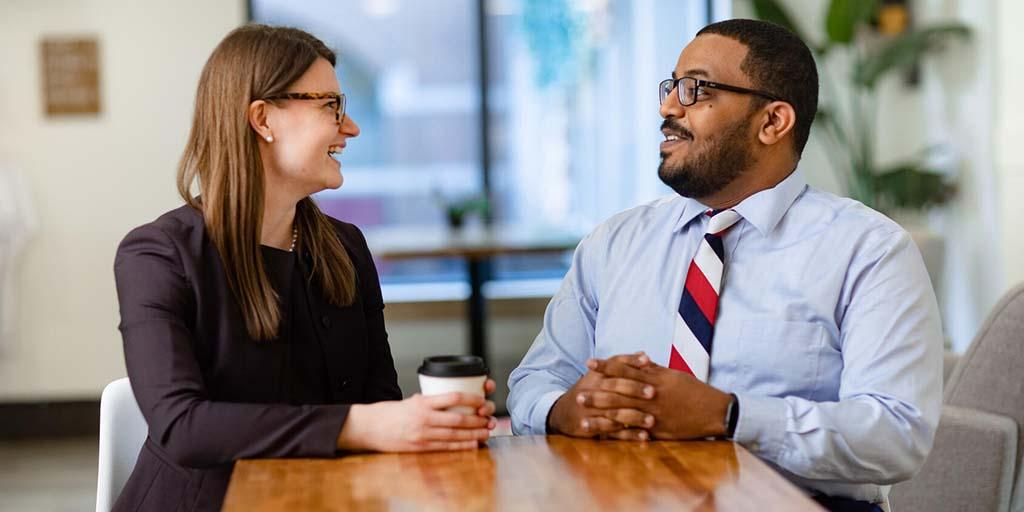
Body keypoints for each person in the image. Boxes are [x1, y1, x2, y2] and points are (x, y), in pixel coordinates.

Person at [507, 18, 941, 511]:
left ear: (773, 122)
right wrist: (570, 409)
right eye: (671, 87)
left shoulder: (868, 251)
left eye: (695, 89)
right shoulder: (614, 243)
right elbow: (532, 384)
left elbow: (897, 436)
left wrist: (729, 416)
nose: (668, 107)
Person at [113, 25, 496, 512]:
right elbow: (182, 427)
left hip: (331, 498)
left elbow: (377, 402)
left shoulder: (346, 247)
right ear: (262, 118)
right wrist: (362, 426)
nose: (350, 127)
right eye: (330, 106)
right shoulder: (158, 255)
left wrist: (431, 420)